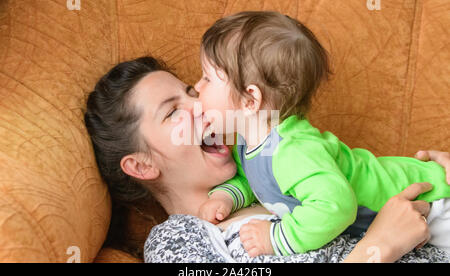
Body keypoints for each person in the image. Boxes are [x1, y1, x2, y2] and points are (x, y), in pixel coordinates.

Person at [83, 56, 450, 262]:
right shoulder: (176, 244)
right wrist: (379, 246)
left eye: (193, 92)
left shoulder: (268, 168)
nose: (200, 105)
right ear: (142, 165)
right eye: (172, 112)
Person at [194, 11, 450, 257]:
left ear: (251, 100)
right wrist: (226, 196)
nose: (196, 87)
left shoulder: (292, 150)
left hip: (432, 200)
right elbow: (259, 182)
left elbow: (336, 206)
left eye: (207, 78)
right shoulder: (249, 143)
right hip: (409, 216)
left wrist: (277, 237)